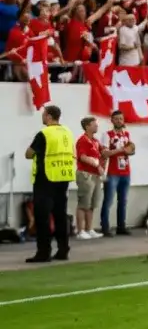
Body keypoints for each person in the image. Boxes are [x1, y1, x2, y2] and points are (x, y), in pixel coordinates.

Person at [25, 104, 76, 263]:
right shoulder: (67, 132)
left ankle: (44, 252)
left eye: (44, 114)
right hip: (63, 177)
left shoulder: (44, 133)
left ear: (49, 116)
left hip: (46, 178)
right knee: (60, 215)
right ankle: (63, 250)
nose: (42, 117)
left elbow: (29, 154)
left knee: (42, 216)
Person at [100, 110, 135, 237]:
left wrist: (129, 151)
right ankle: (105, 227)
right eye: (116, 119)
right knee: (108, 200)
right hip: (112, 172)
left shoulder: (126, 134)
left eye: (121, 118)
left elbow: (131, 150)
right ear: (112, 120)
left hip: (125, 171)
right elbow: (105, 153)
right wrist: (121, 150)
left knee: (123, 201)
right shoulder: (107, 135)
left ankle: (121, 226)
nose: (119, 121)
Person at [74, 115, 104, 241]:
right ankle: (80, 231)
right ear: (87, 126)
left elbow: (103, 152)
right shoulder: (83, 140)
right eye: (94, 124)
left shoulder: (95, 141)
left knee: (92, 204)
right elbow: (82, 157)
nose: (97, 126)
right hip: (85, 174)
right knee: (83, 204)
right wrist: (96, 164)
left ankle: (89, 229)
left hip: (96, 175)